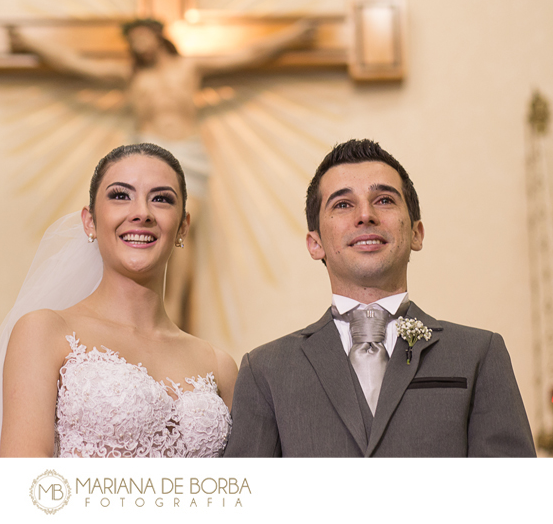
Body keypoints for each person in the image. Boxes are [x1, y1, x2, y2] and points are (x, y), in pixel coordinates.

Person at [224, 139, 535, 457]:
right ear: (314, 243)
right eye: (343, 204)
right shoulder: (265, 370)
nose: (365, 215)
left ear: (416, 233)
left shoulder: (479, 354)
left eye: (384, 200)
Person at [9, 18, 315, 330]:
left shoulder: (188, 68)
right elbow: (75, 63)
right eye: (132, 43)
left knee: (179, 239)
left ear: (157, 36)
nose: (138, 47)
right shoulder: (129, 76)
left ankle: (174, 320)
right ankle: (137, 316)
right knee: (139, 239)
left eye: (142, 38)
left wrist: (292, 35)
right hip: (147, 159)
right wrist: (31, 42)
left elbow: (249, 54)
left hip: (188, 159)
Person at [0, 143, 237, 457]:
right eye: (120, 195)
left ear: (183, 227)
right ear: (90, 221)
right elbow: (27, 485)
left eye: (161, 199)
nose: (142, 213)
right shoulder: (44, 332)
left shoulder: (219, 366)